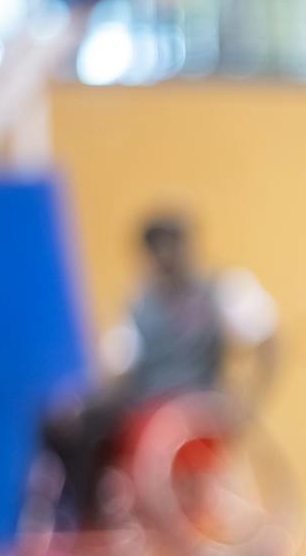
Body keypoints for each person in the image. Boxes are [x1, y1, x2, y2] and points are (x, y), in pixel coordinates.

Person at [37, 213, 278, 532]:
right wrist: (81, 406)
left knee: (103, 422)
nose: (165, 255)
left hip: (193, 402)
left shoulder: (221, 290)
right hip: (144, 400)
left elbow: (267, 340)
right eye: (156, 248)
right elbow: (121, 369)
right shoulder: (140, 305)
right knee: (64, 425)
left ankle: (90, 519)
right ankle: (85, 517)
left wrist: (248, 402)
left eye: (172, 245)